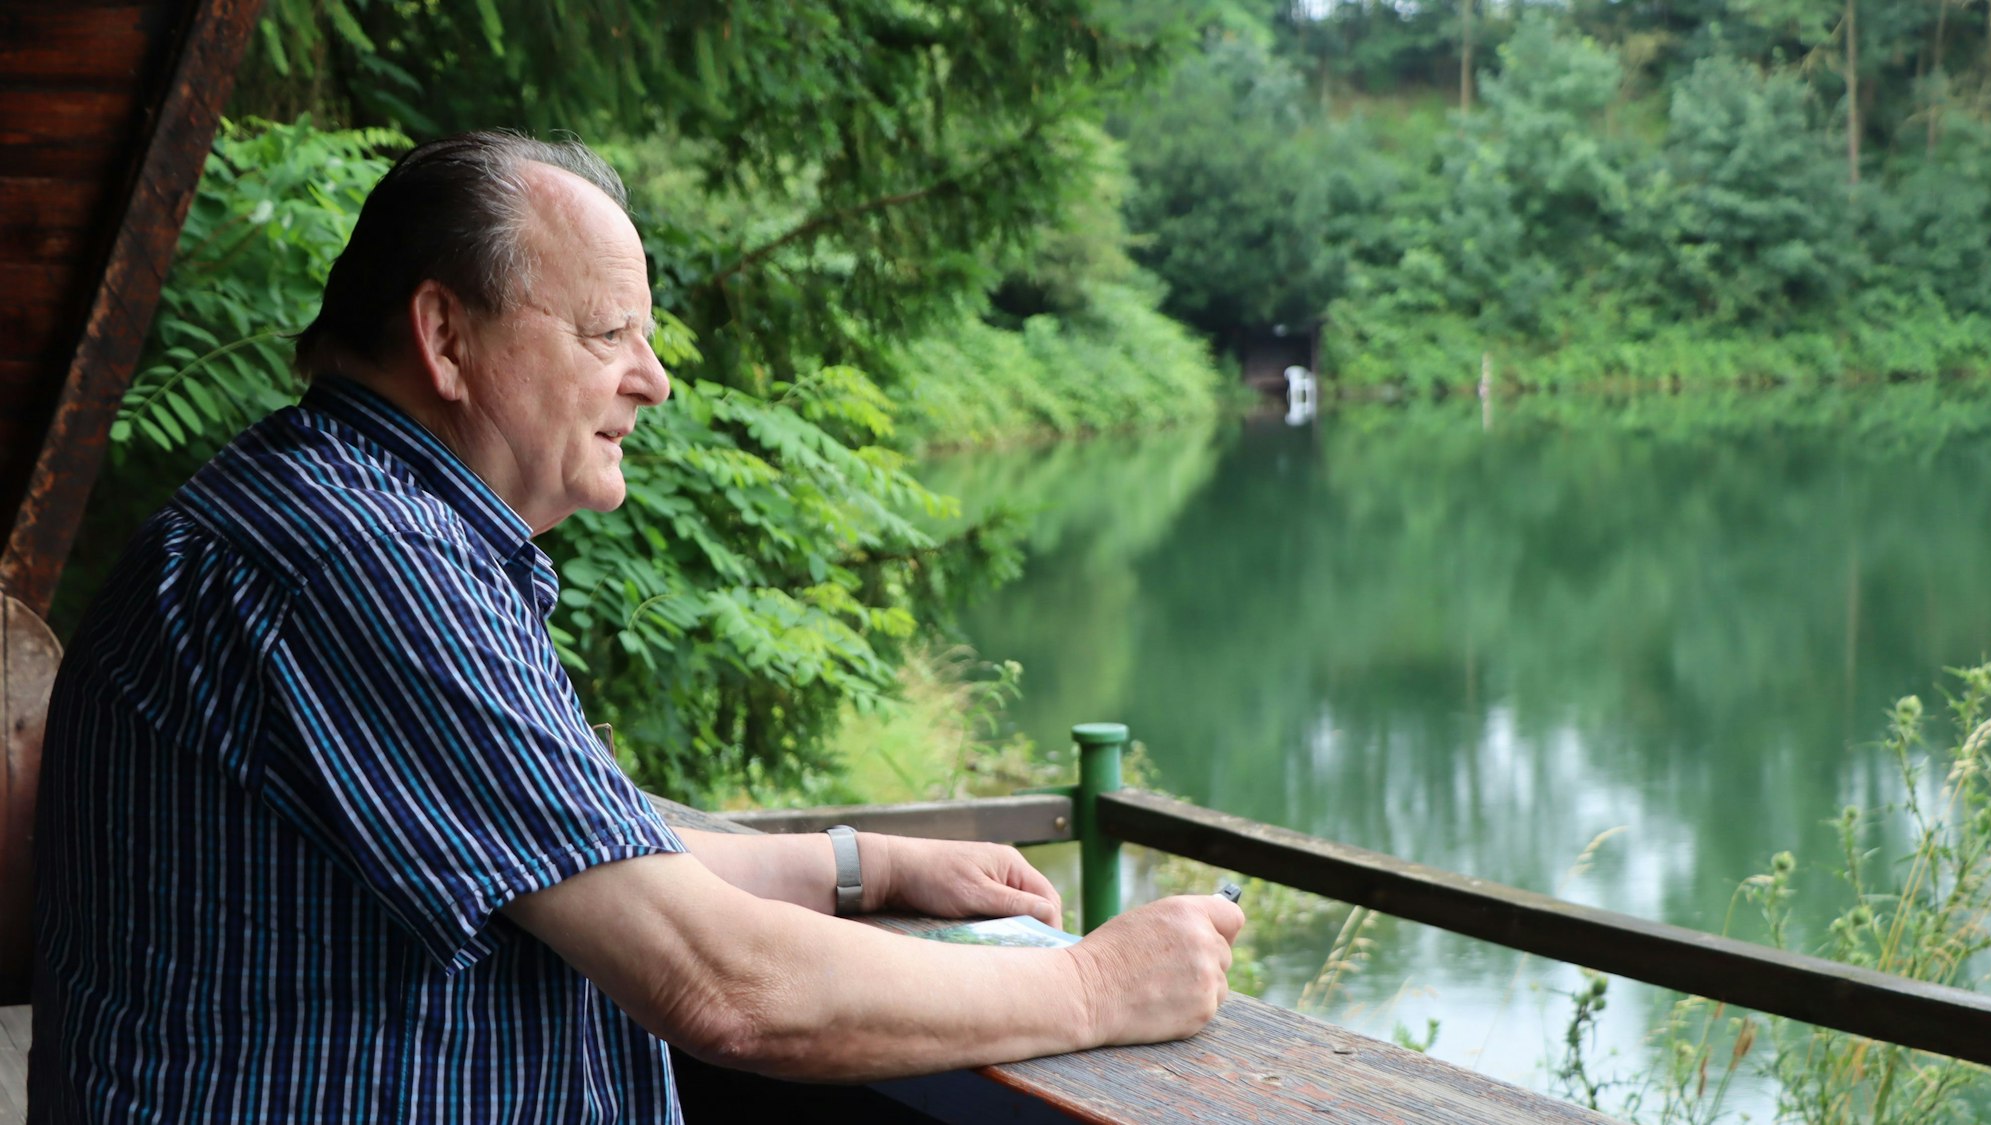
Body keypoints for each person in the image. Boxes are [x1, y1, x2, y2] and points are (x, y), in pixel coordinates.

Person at [30, 131, 1242, 1122]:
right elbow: (724, 986)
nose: (653, 379)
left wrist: (859, 863)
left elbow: (578, 851)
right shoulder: (356, 557)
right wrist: (1093, 988)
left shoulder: (345, 512)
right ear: (446, 338)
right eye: (609, 334)